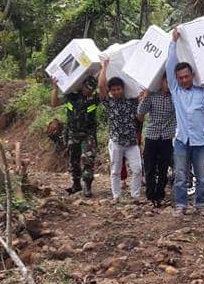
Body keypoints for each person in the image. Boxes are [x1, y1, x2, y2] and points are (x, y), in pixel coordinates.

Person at [166, 30, 204, 214]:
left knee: (202, 177)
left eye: (186, 76)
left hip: (200, 142)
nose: (183, 80)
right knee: (180, 175)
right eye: (180, 78)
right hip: (181, 140)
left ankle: (201, 204)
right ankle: (181, 205)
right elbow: (169, 65)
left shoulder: (202, 91)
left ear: (192, 75)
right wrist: (173, 42)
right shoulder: (175, 91)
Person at [98, 59, 142, 203]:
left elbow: (140, 92)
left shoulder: (132, 102)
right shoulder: (109, 103)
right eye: (114, 90)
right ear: (111, 92)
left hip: (131, 142)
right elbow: (101, 86)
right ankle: (116, 196)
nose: (116, 92)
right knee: (115, 171)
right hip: (116, 142)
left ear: (123, 89)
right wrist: (104, 67)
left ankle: (135, 195)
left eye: (119, 89)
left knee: (137, 169)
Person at [50, 74, 99, 197]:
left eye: (92, 88)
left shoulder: (95, 99)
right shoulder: (71, 96)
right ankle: (76, 184)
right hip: (73, 133)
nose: (89, 90)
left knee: (88, 159)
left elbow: (104, 89)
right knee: (74, 160)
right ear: (82, 85)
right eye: (87, 87)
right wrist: (55, 87)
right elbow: (54, 103)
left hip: (88, 134)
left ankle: (87, 186)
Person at [137, 73, 176, 207]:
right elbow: (140, 112)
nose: (168, 85)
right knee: (150, 168)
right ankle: (150, 195)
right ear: (161, 82)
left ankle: (160, 194)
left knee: (164, 168)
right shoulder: (152, 95)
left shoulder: (175, 98)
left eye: (171, 82)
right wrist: (145, 96)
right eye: (167, 82)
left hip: (166, 138)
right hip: (151, 137)